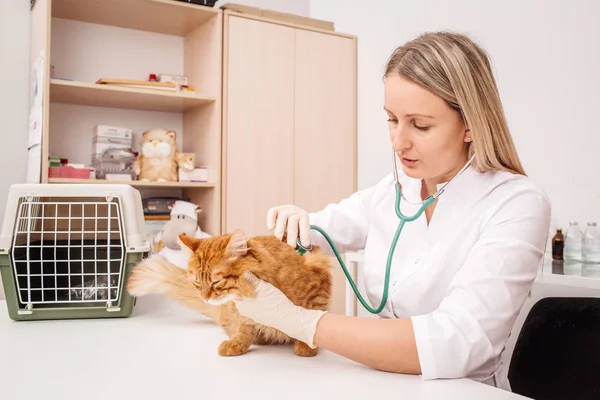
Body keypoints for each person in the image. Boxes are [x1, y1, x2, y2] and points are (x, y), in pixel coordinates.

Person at [232, 31, 551, 391]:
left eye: (420, 125)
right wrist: (295, 227)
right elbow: (320, 230)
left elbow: (456, 343)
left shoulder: (516, 203)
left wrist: (303, 323)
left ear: (470, 125)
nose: (399, 142)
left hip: (457, 390)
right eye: (391, 119)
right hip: (377, 382)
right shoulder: (395, 190)